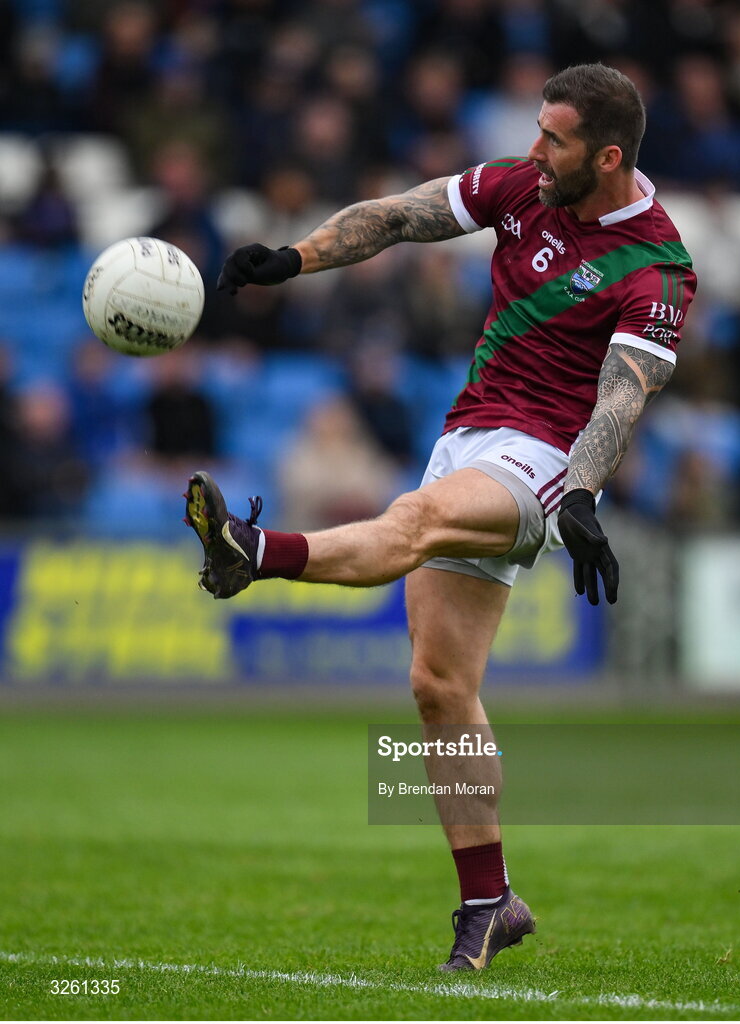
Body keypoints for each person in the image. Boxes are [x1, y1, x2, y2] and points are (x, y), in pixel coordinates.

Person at [184, 63, 697, 971]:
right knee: (438, 687)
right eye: (537, 130)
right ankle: (489, 902)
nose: (535, 150)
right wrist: (292, 259)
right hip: (466, 435)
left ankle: (253, 550)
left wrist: (579, 492)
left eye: (556, 139)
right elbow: (397, 215)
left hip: (542, 461)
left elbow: (621, 399)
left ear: (608, 156)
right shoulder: (519, 186)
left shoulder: (656, 265)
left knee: (412, 520)